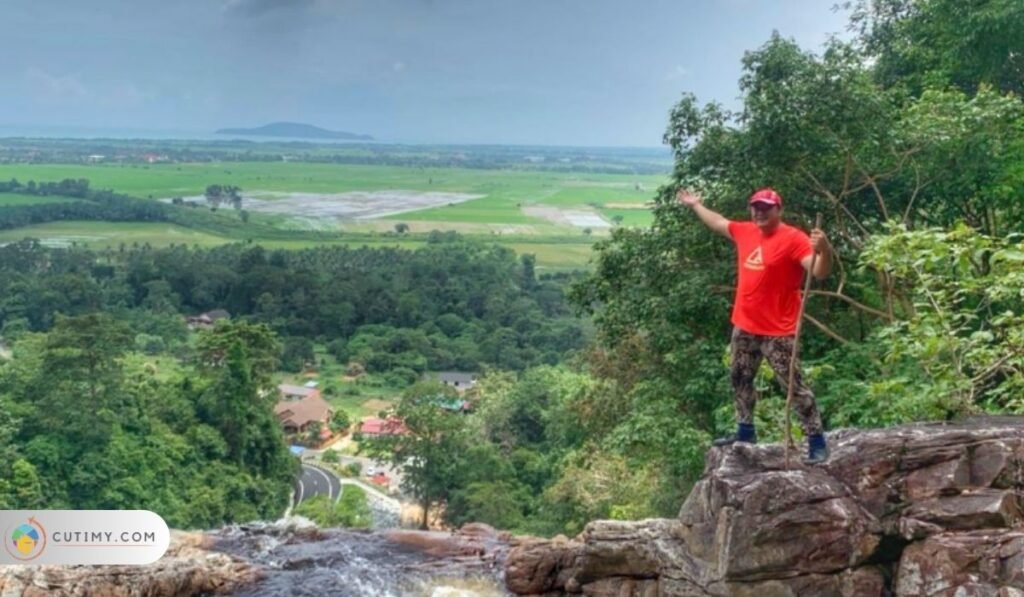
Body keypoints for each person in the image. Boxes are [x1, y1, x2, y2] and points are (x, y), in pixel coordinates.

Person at [677, 187, 833, 464]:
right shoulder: (745, 231)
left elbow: (819, 272)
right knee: (740, 378)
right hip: (745, 325)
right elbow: (718, 222)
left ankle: (816, 441)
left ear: (778, 211)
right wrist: (696, 205)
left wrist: (825, 250)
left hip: (778, 330)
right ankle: (745, 430)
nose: (759, 212)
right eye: (755, 207)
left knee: (794, 388)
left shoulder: (794, 238)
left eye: (766, 208)